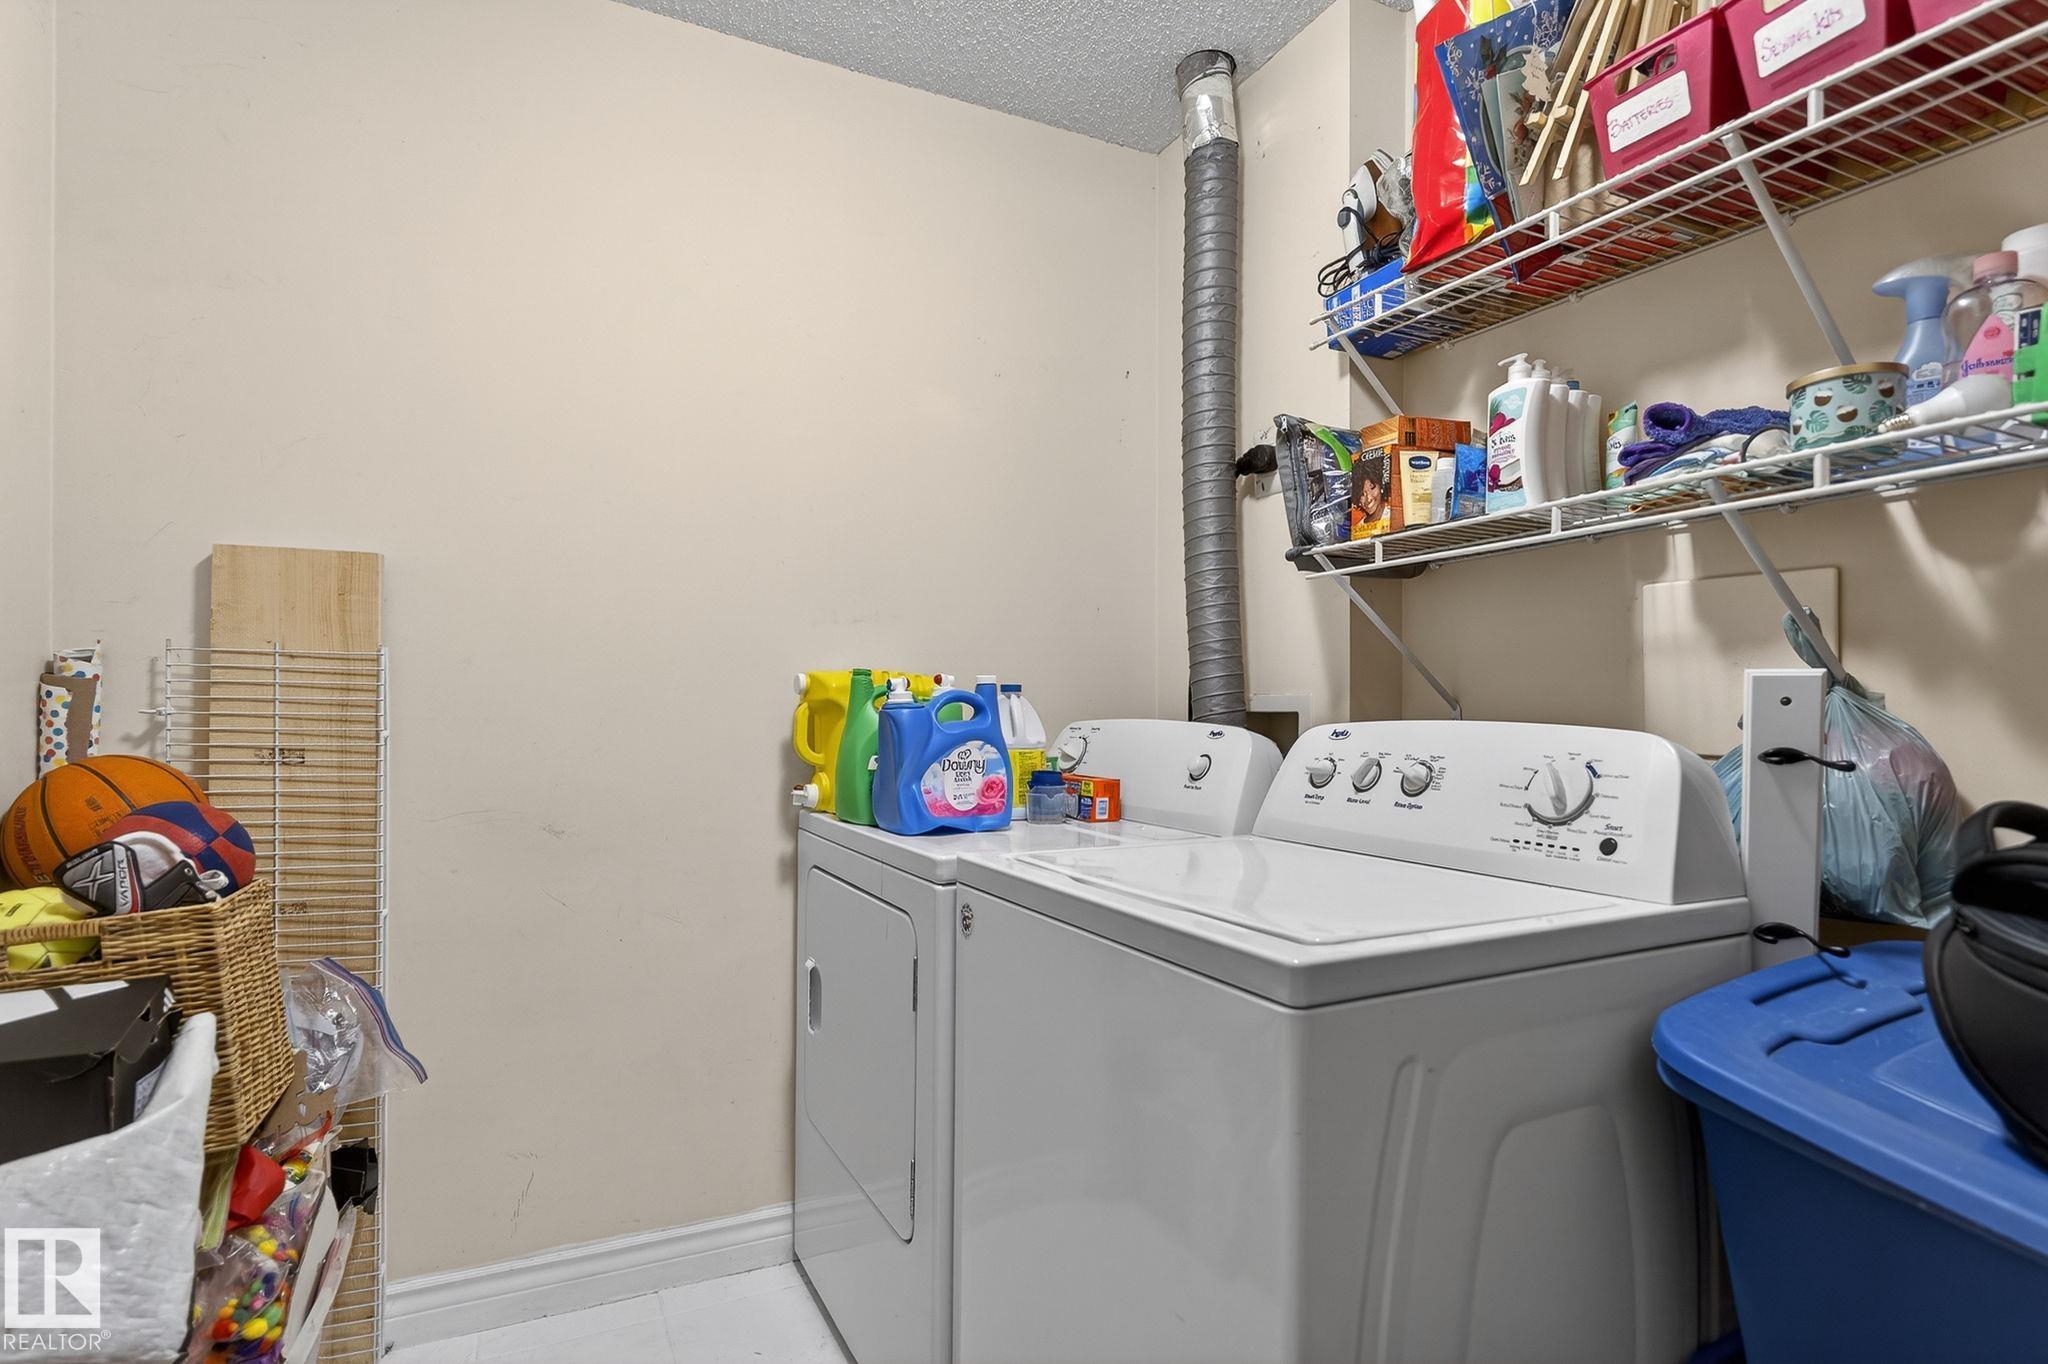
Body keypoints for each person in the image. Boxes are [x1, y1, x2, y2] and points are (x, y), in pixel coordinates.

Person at [1352, 460, 1393, 537]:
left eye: (1372, 488)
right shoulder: (1357, 530)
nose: (1369, 498)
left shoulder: (1394, 516)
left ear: (1381, 487)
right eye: (1362, 494)